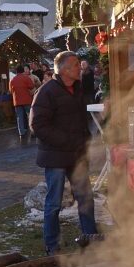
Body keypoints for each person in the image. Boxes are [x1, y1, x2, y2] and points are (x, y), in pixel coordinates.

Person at [29, 51, 102, 255]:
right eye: (77, 65)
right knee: (53, 203)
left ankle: (91, 238)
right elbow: (37, 125)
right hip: (56, 156)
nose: (81, 67)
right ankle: (52, 246)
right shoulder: (47, 91)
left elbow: (79, 120)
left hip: (76, 155)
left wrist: (85, 140)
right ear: (64, 70)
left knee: (85, 198)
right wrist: (65, 140)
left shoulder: (76, 89)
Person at [9, 65, 34, 138]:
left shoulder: (12, 80)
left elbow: (10, 90)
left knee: (19, 117)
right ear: (23, 70)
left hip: (17, 101)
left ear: (16, 71)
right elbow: (32, 86)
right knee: (30, 115)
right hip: (27, 100)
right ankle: (32, 131)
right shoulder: (26, 78)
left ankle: (21, 132)